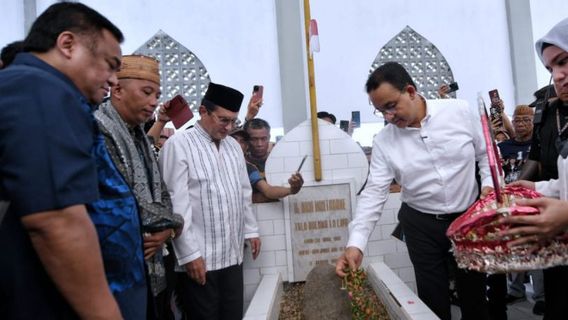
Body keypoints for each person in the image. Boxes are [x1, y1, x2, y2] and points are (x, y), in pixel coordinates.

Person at [335, 62, 492, 320]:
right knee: (432, 301)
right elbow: (374, 193)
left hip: (468, 219)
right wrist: (356, 245)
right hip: (421, 225)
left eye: (390, 106)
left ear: (410, 91)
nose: (387, 117)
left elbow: (486, 153)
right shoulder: (385, 141)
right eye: (380, 111)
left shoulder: (459, 111)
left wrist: (487, 185)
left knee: (474, 298)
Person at [0, 2, 124, 318]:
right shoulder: (42, 90)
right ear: (67, 44)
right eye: (109, 64)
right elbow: (55, 219)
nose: (113, 80)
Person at [159, 82, 261, 319]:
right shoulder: (179, 145)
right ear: (203, 112)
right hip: (199, 259)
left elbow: (243, 193)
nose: (228, 127)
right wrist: (189, 255)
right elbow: (177, 204)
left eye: (233, 121)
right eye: (223, 120)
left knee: (232, 314)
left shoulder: (233, 148)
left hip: (232, 255)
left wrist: (251, 230)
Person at [94, 54, 184, 319]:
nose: (154, 102)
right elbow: (127, 199)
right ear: (117, 89)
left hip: (152, 258)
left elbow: (161, 190)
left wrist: (167, 229)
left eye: (157, 94)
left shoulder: (139, 134)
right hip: (117, 268)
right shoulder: (99, 129)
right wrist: (176, 222)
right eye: (147, 92)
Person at [501, 17, 568, 320]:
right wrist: (536, 188)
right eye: (551, 68)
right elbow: (563, 180)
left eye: (564, 61)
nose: (558, 76)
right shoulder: (560, 119)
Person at [230, 127, 304, 200]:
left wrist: (291, 190)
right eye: (233, 139)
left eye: (242, 141)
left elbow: (268, 190)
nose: (237, 144)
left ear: (246, 146)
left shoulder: (248, 168)